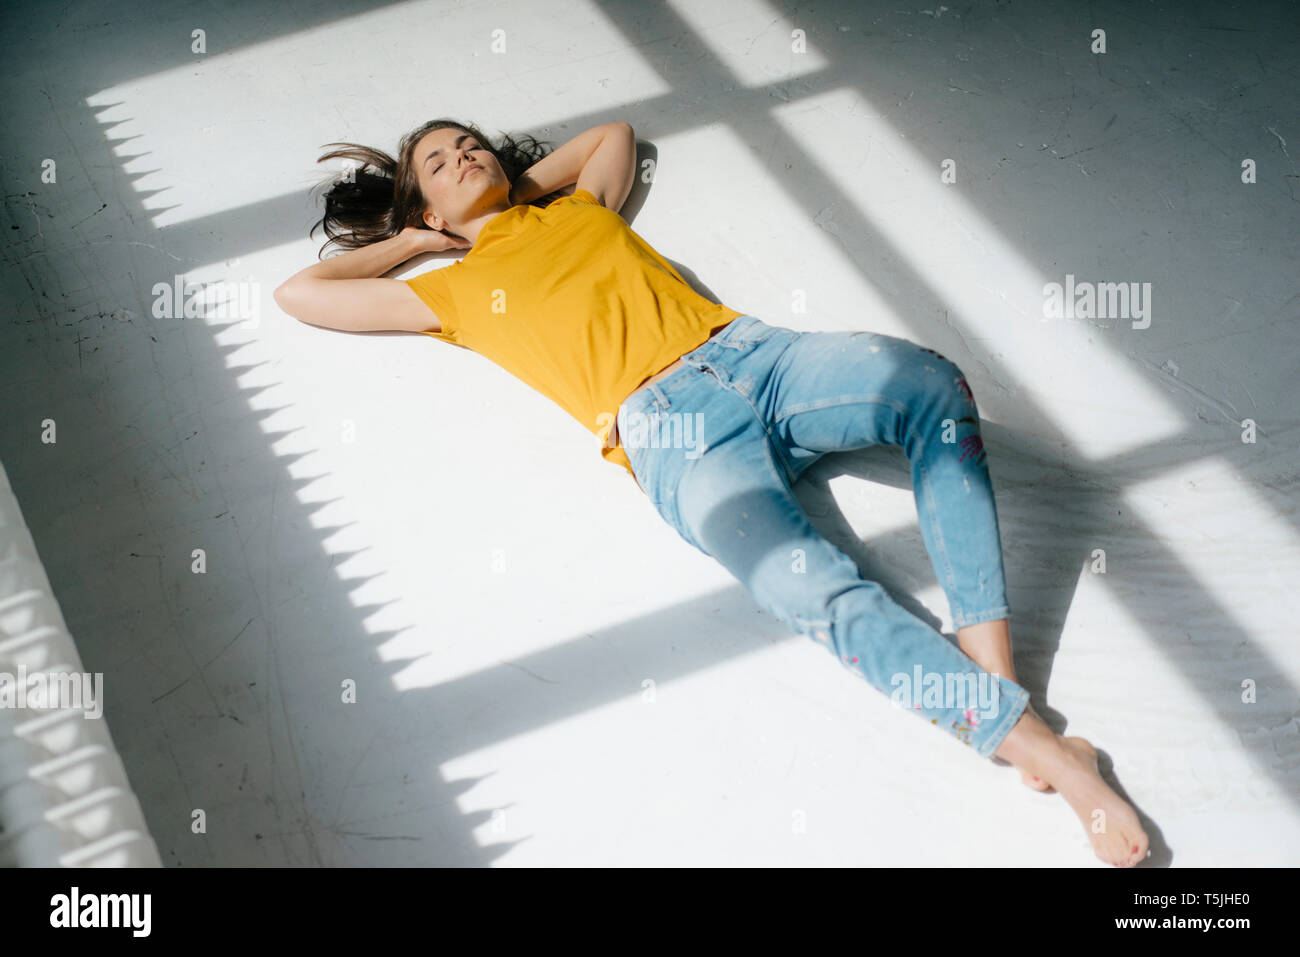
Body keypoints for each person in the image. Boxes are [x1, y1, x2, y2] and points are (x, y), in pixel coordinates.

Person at [274, 118, 1150, 867]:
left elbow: (611, 138)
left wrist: (505, 188)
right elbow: (301, 293)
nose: (463, 156)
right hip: (665, 429)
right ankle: (1062, 764)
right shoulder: (446, 293)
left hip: (757, 357)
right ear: (425, 207)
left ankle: (997, 684)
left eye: (471, 145)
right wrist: (425, 240)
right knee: (803, 583)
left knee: (927, 383)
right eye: (440, 163)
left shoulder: (579, 209)